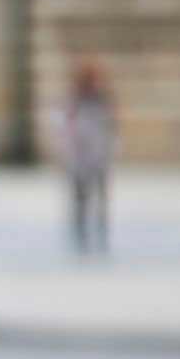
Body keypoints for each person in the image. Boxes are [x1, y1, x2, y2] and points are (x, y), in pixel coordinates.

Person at [59, 55, 117, 253]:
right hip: (80, 157)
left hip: (98, 155)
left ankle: (99, 233)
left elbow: (110, 126)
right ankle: (81, 234)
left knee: (99, 198)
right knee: (81, 199)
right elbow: (66, 128)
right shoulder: (75, 101)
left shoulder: (102, 99)